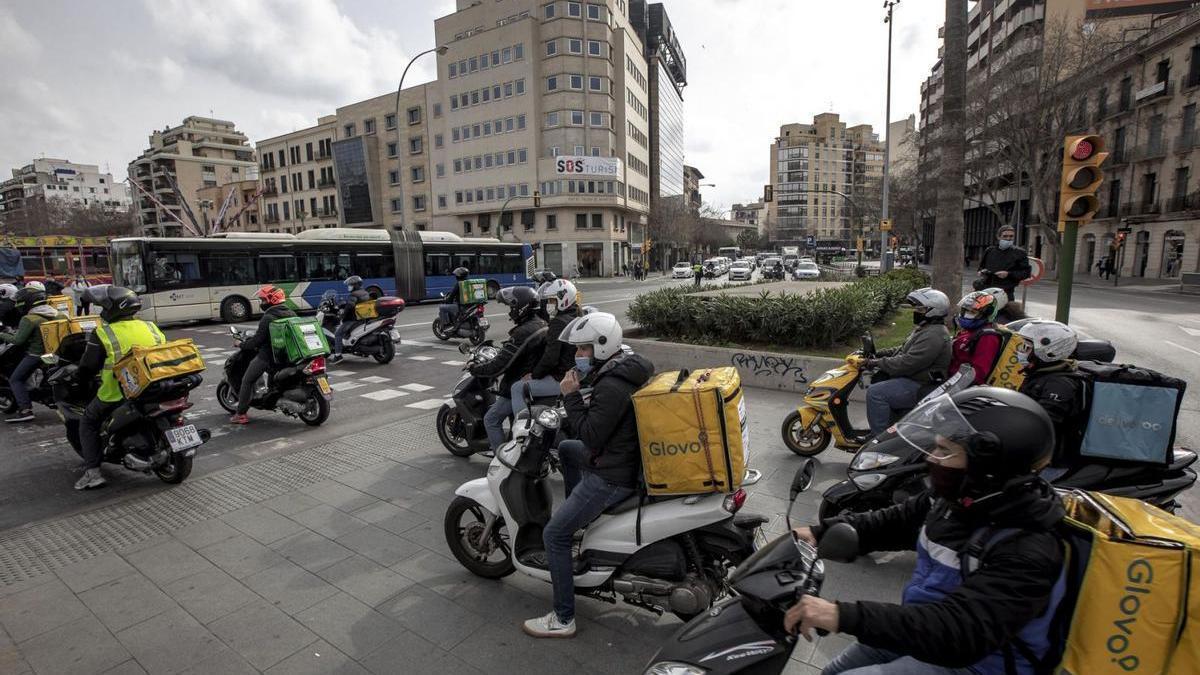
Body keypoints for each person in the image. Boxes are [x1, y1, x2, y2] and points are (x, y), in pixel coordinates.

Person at [786, 388, 1066, 675]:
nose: (932, 458)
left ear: (989, 467)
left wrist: (841, 615)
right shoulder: (957, 500)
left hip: (976, 660)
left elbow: (960, 631)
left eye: (945, 452)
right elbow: (895, 522)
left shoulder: (1028, 546)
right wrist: (817, 532)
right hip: (920, 628)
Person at [523, 312, 654, 639]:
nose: (577, 356)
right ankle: (580, 519)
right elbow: (589, 432)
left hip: (612, 474)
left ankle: (563, 617)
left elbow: (592, 436)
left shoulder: (612, 385)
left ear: (602, 346)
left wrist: (569, 395)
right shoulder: (623, 365)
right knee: (567, 449)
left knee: (553, 534)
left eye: (583, 350)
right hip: (621, 457)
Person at [72, 286, 165, 489]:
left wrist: (78, 377)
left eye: (102, 307)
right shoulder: (150, 326)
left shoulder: (104, 333)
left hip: (117, 392)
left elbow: (88, 366)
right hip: (155, 386)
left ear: (110, 309)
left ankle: (93, 472)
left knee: (87, 421)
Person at [863, 288, 952, 437]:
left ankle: (878, 439)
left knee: (876, 393)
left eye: (921, 309)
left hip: (921, 384)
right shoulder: (926, 329)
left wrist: (877, 363)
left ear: (933, 311)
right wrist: (878, 354)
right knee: (879, 382)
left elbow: (908, 362)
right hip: (914, 378)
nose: (916, 312)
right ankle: (888, 428)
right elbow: (903, 349)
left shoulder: (934, 335)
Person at [472, 286, 547, 451]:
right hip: (533, 380)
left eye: (513, 307)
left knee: (490, 419)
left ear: (522, 307)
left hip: (517, 383)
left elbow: (499, 366)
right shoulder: (541, 323)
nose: (511, 311)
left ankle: (501, 460)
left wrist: (475, 368)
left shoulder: (523, 332)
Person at [1016, 320, 1088, 470]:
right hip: (1036, 454)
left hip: (1050, 463)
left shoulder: (1060, 384)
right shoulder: (1040, 375)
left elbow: (1043, 424)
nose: (1021, 351)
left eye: (1027, 347)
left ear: (1049, 351)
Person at [512, 279, 581, 420]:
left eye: (552, 300)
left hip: (560, 378)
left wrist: (534, 374)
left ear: (564, 299)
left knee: (517, 388)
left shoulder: (558, 322)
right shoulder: (578, 315)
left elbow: (551, 358)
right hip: (574, 374)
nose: (549, 305)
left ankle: (522, 429)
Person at [230, 285, 296, 425]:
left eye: (263, 300)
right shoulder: (291, 313)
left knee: (247, 381)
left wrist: (240, 344)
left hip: (268, 356)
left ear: (271, 300)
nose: (261, 303)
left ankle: (241, 414)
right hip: (287, 356)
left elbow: (257, 342)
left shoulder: (268, 317)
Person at [0, 288, 65, 423]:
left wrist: (1, 334)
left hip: (36, 355)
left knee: (15, 380)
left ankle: (25, 410)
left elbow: (18, 340)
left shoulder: (29, 319)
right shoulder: (58, 314)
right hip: (57, 354)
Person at [948, 290, 1005, 386]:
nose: (966, 315)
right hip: (950, 378)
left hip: (961, 386)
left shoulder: (988, 337)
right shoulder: (969, 331)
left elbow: (978, 373)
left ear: (986, 314)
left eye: (972, 312)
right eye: (965, 311)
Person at [976, 225, 1031, 301]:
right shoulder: (990, 250)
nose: (1008, 239)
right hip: (986, 291)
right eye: (1005, 236)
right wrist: (981, 272)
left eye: (1011, 236)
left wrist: (1008, 274)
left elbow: (1026, 273)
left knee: (1006, 312)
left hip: (1006, 293)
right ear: (998, 237)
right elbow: (981, 267)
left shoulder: (1020, 253)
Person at [330, 275, 370, 363]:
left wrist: (342, 317)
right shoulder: (365, 292)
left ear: (355, 285)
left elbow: (350, 307)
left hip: (352, 319)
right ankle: (363, 352)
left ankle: (338, 355)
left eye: (350, 285)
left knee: (338, 334)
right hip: (363, 319)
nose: (348, 287)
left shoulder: (353, 294)